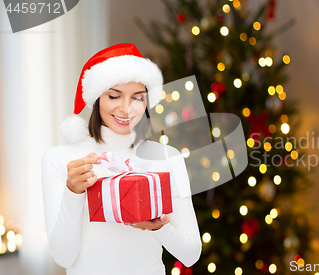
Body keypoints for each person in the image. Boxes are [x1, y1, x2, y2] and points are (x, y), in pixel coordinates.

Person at [41, 43, 201, 275]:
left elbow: (191, 253)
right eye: (114, 96)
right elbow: (64, 256)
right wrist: (73, 191)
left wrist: (157, 227)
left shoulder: (166, 157)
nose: (126, 109)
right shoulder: (61, 159)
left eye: (137, 98)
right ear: (96, 98)